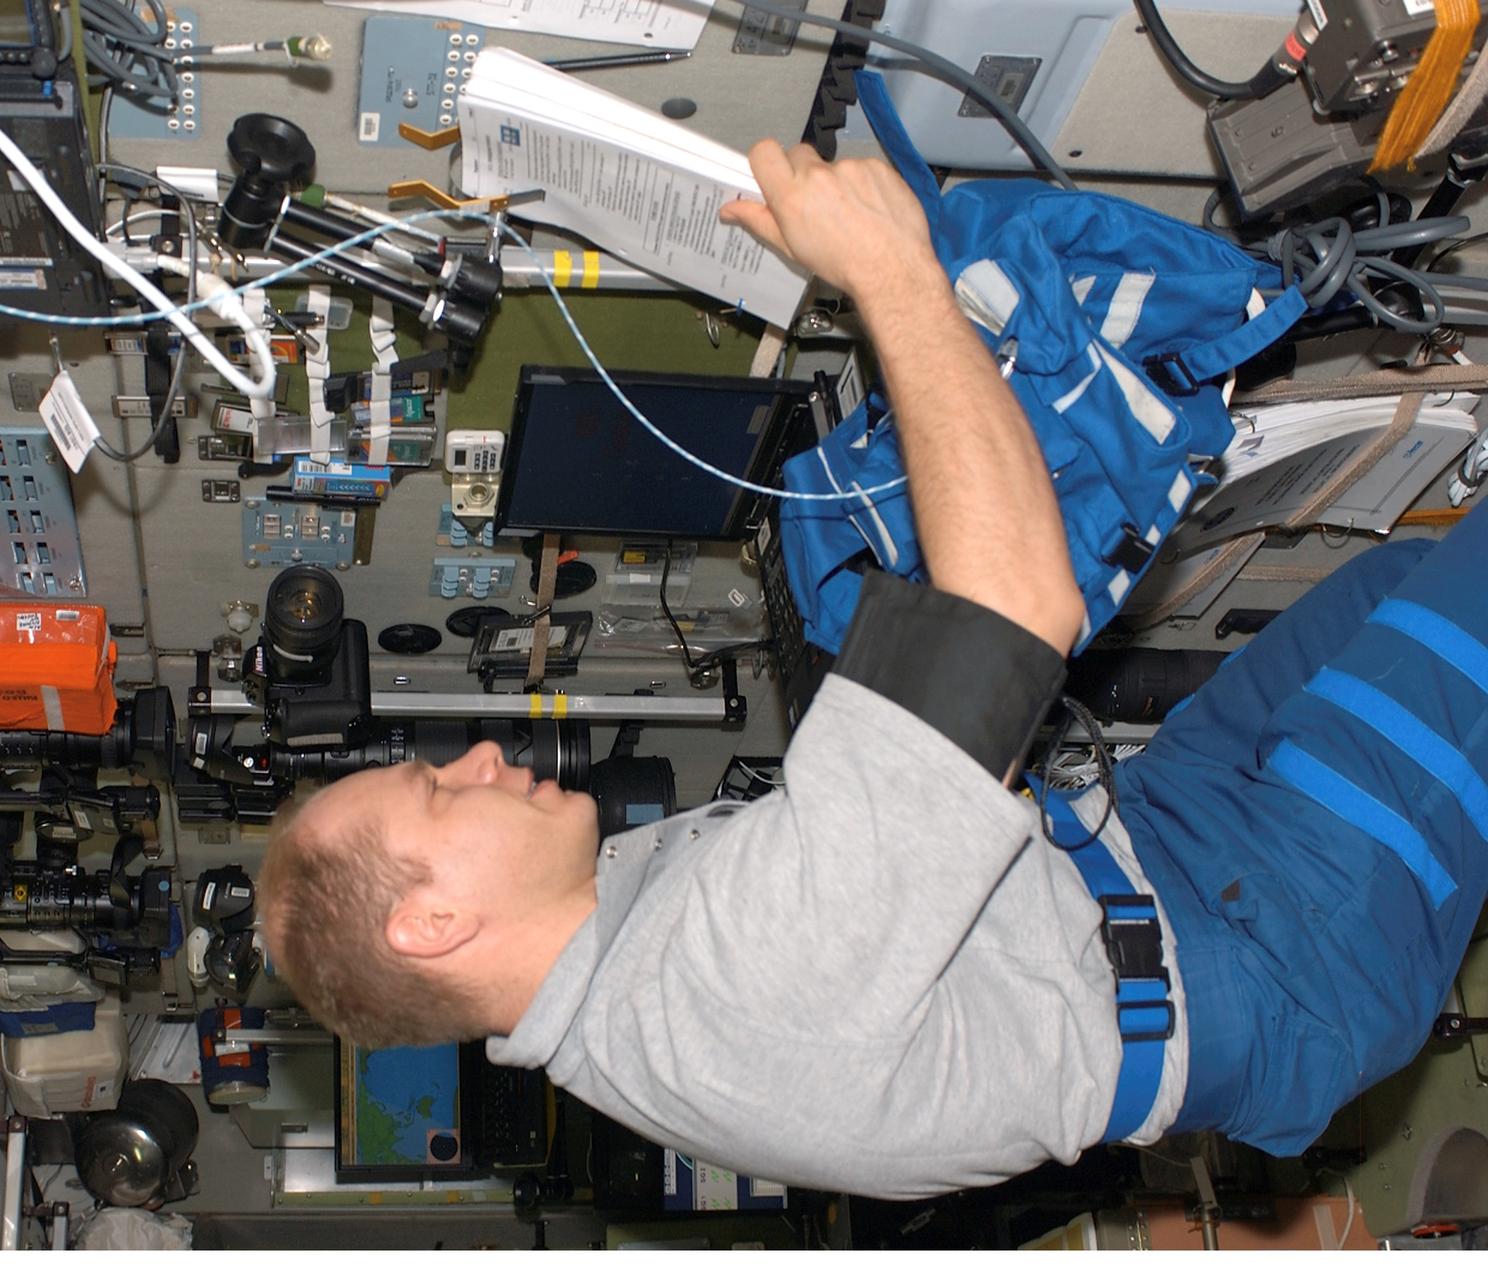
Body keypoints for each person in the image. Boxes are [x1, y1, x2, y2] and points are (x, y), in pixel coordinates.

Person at [256, 140, 1488, 1198]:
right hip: (1276, 942)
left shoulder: (611, 969)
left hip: (1162, 847)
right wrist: (893, 272)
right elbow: (1017, 605)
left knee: (1402, 581)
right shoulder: (715, 987)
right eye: (435, 791)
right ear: (432, 923)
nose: (478, 754)